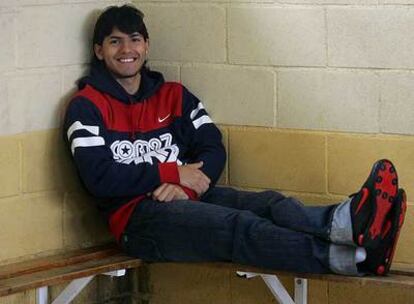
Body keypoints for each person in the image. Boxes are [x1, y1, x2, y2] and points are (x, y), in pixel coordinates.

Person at [63, 4, 407, 276]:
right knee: (241, 228)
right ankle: (356, 259)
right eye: (115, 41)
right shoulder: (87, 106)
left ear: (147, 44)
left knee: (269, 204)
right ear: (98, 50)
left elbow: (213, 146)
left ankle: (344, 224)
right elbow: (99, 178)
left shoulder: (174, 96)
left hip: (190, 197)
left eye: (135, 39)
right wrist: (171, 174)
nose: (127, 49)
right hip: (137, 221)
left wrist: (188, 185)